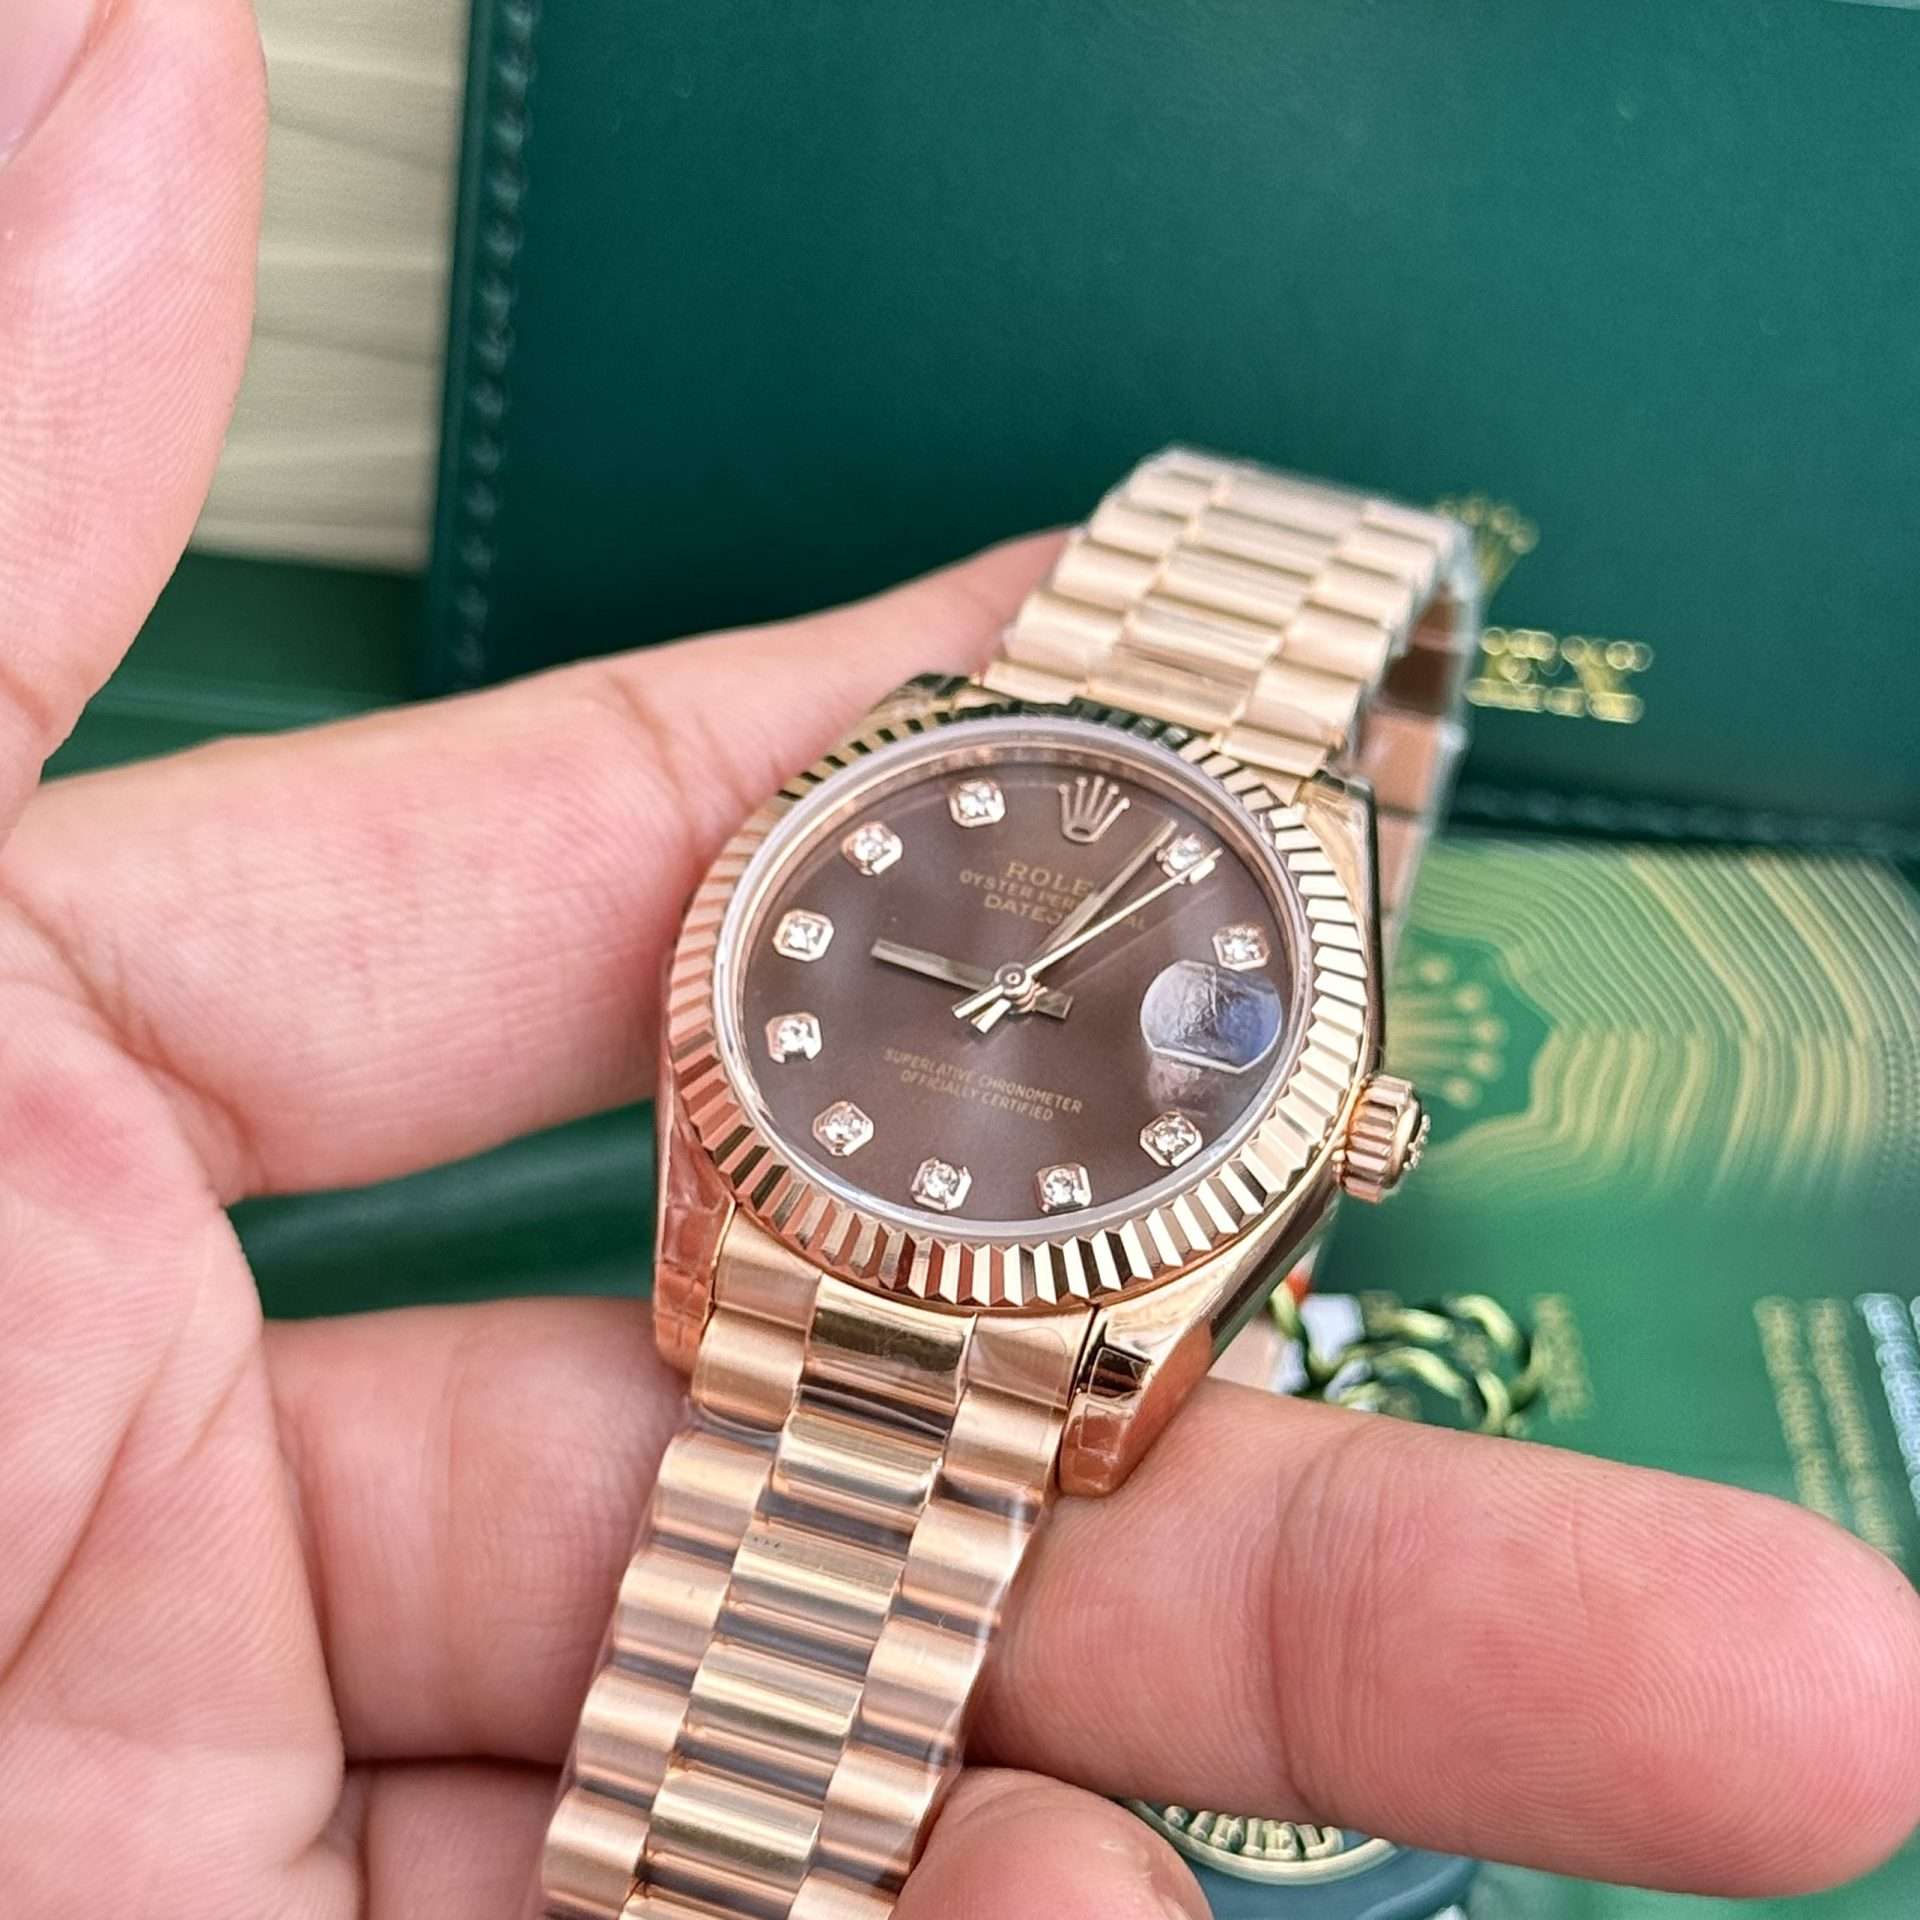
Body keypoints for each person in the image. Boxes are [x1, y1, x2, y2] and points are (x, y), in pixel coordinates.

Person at [2, 6, 1917, 1917]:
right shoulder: (894, 814)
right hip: (802, 1209)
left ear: (1353, 1124)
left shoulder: (1287, 920)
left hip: (1025, 1289)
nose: (1006, 1004)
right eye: (997, 991)